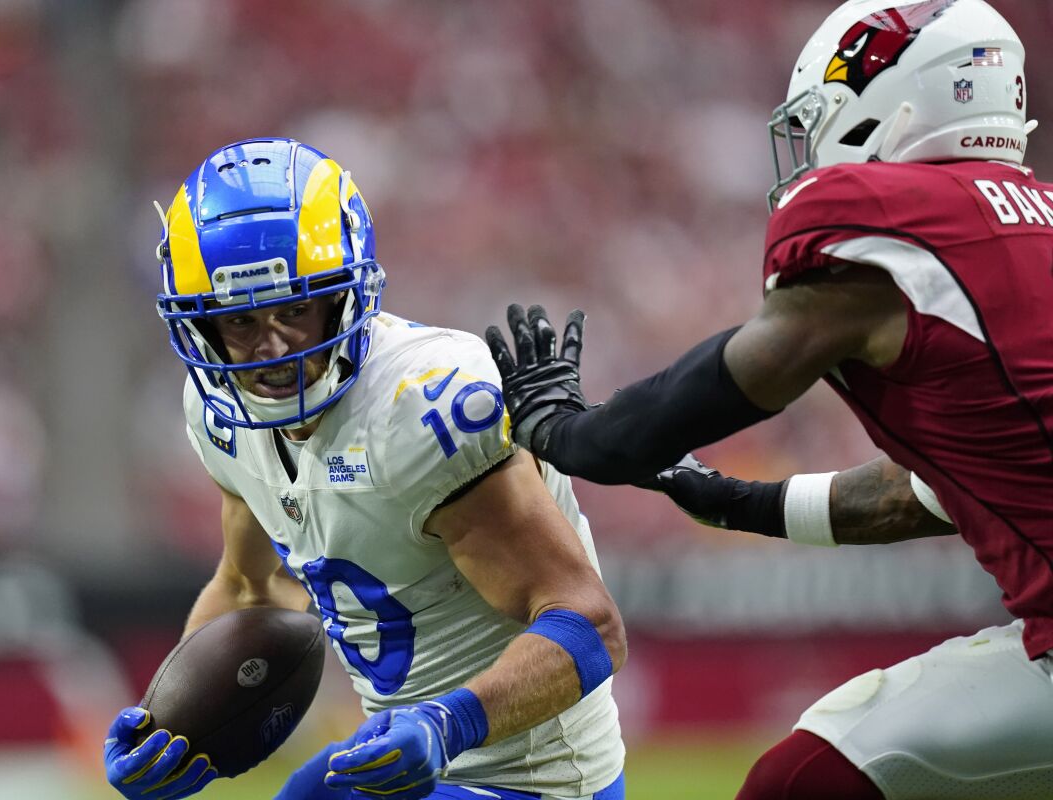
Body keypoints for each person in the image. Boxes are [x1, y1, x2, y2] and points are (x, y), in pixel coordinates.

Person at [486, 1, 1053, 798]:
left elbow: (727, 383)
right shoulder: (1032, 232)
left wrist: (572, 433)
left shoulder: (896, 232)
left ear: (897, 103)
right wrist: (735, 501)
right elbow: (921, 494)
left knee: (799, 784)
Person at [102, 138, 628, 800]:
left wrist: (445, 725)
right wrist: (169, 728)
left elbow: (590, 626)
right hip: (398, 756)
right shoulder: (225, 418)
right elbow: (252, 590)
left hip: (528, 780)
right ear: (200, 326)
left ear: (345, 295)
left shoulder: (424, 408)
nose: (272, 345)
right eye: (239, 319)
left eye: (295, 309)